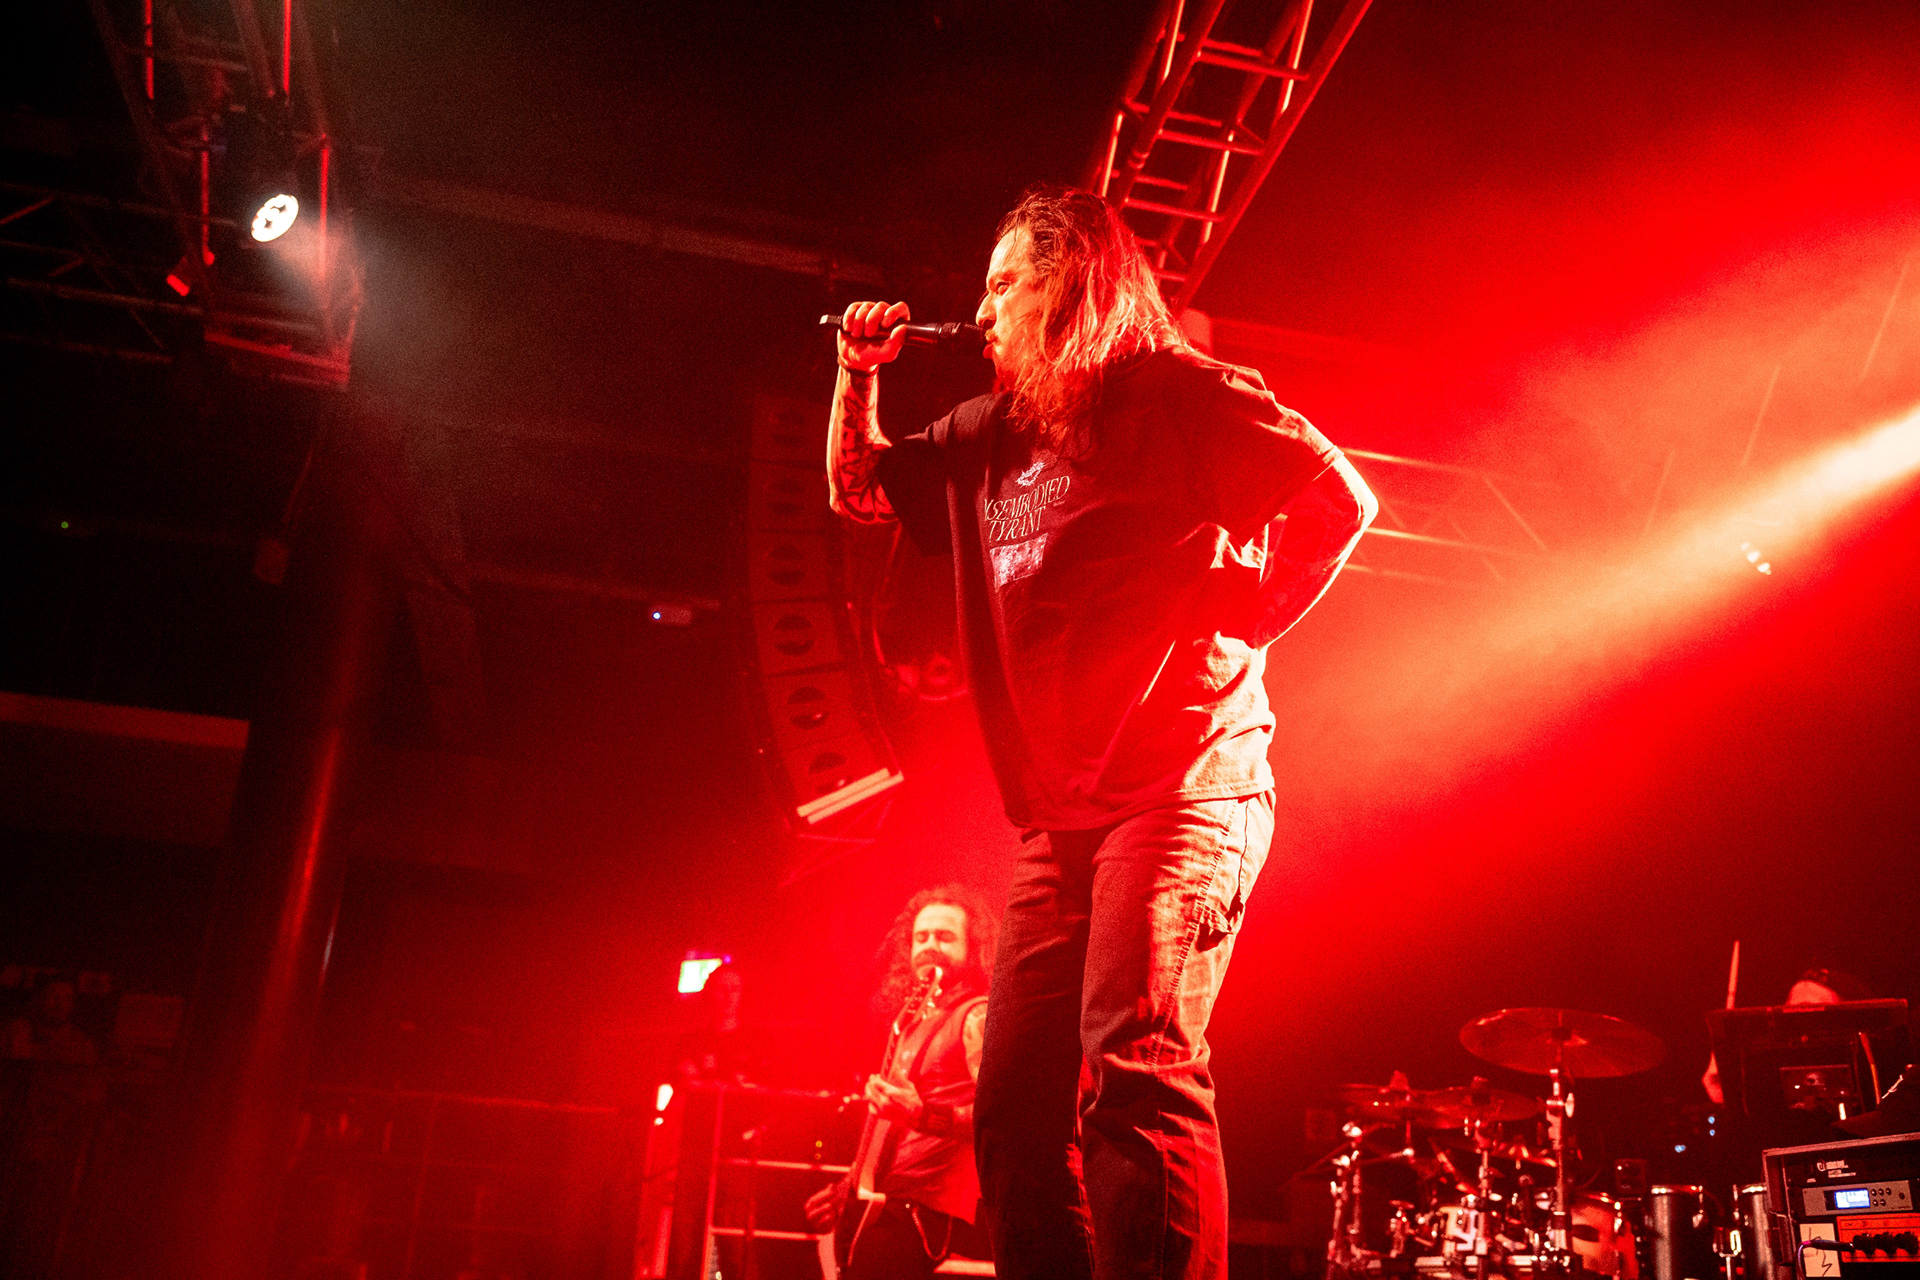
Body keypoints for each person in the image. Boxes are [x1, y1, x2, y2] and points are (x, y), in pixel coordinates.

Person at [825, 186, 1377, 1280]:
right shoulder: (989, 434)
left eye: (1005, 285)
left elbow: (1338, 502)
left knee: (1136, 1065)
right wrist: (857, 371)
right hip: (1058, 818)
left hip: (1186, 787)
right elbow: (860, 494)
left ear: (1070, 285)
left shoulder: (1180, 394)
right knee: (1011, 1106)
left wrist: (1247, 616)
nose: (985, 310)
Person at [805, 887, 995, 1279]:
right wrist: (849, 1187)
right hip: (885, 1205)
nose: (930, 946)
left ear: (974, 948)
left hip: (924, 1214)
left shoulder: (977, 1016)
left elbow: (1001, 1118)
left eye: (945, 937)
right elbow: (888, 1130)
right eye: (921, 937)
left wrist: (923, 1115)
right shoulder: (910, 1023)